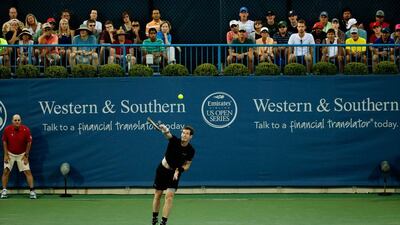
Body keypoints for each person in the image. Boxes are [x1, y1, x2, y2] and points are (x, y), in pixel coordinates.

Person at [151, 124, 195, 225]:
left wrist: (179, 170)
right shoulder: (174, 141)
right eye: (183, 132)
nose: (184, 135)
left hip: (175, 173)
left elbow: (187, 165)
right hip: (162, 170)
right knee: (158, 194)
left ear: (190, 137)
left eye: (187, 134)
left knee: (169, 196)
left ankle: (163, 222)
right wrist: (165, 129)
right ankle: (154, 219)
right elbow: (168, 135)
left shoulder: (191, 150)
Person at [1, 114, 36, 199]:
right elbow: (5, 141)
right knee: (6, 171)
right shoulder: (7, 130)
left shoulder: (26, 130)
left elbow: (29, 143)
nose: (17, 122)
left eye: (18, 120)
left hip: (22, 154)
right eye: (15, 120)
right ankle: (4, 190)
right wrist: (6, 154)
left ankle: (32, 191)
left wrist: (26, 155)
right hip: (10, 154)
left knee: (27, 172)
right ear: (12, 121)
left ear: (20, 121)